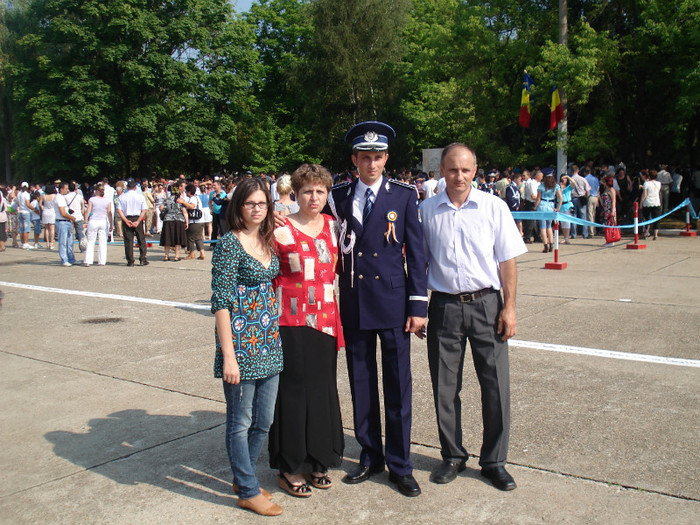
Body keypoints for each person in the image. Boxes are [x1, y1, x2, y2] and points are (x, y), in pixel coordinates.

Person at [327, 121, 427, 497]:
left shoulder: (403, 196)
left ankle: (401, 464)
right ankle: (370, 455)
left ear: (386, 158)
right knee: (362, 383)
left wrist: (418, 305)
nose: (372, 163)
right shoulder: (337, 195)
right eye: (365, 157)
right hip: (354, 300)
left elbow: (417, 255)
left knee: (398, 385)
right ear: (355, 159)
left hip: (393, 301)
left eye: (378, 157)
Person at [419, 143, 526, 491]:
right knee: (444, 387)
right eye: (452, 170)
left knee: (495, 386)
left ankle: (494, 461)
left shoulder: (494, 208)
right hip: (445, 306)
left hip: (487, 305)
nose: (459, 176)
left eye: (466, 170)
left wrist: (509, 308)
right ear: (441, 172)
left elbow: (507, 261)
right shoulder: (426, 211)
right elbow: (417, 265)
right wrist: (418, 309)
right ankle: (452, 455)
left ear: (475, 170)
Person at [268, 163, 344, 498]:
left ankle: (318, 459)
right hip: (290, 319)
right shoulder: (279, 229)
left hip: (325, 319)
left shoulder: (332, 226)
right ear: (295, 194)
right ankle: (288, 465)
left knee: (322, 388)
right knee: (293, 391)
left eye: (320, 191)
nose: (314, 197)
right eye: (307, 191)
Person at [211, 177, 283, 517]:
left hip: (269, 341)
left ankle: (246, 479)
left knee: (264, 420)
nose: (257, 209)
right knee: (240, 421)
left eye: (262, 204)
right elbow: (221, 303)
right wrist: (228, 356)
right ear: (238, 206)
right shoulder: (229, 244)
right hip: (240, 345)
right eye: (250, 203)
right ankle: (248, 488)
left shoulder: (267, 241)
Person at [116, 178, 149, 266]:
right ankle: (143, 259)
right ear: (135, 187)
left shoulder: (122, 196)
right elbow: (144, 210)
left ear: (127, 187)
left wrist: (126, 220)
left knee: (128, 241)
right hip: (137, 217)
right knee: (141, 239)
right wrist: (138, 221)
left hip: (127, 217)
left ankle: (130, 261)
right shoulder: (140, 196)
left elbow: (119, 210)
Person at [83, 183, 113, 266]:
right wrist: (111, 224)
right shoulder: (107, 201)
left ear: (96, 191)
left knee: (90, 242)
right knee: (103, 242)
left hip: (93, 221)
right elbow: (109, 213)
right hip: (103, 221)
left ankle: (88, 261)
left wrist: (85, 221)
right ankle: (102, 261)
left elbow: (88, 211)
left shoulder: (92, 199)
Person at [534, 174, 562, 253]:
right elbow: (560, 198)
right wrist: (558, 208)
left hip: (542, 206)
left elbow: (538, 199)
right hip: (551, 206)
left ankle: (545, 245)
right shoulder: (556, 186)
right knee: (549, 226)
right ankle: (551, 243)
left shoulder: (541, 186)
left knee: (543, 227)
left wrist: (535, 207)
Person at [159, 184, 188, 261]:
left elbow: (161, 207)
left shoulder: (167, 199)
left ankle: (166, 256)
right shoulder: (180, 200)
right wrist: (187, 222)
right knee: (177, 239)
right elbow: (184, 212)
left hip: (168, 220)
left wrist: (166, 212)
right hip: (179, 220)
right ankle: (176, 256)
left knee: (167, 239)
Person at [55, 182, 77, 266]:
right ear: (61, 189)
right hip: (62, 221)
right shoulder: (59, 198)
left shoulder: (62, 197)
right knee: (63, 242)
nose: (67, 190)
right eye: (66, 188)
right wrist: (71, 218)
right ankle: (64, 259)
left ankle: (71, 258)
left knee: (69, 242)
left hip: (66, 222)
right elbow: (62, 213)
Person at [182, 183, 206, 260]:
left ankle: (191, 253)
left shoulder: (192, 198)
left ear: (189, 191)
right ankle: (202, 253)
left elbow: (192, 206)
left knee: (190, 237)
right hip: (201, 220)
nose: (186, 193)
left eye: (186, 191)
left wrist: (183, 202)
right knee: (198, 237)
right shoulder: (197, 197)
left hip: (194, 221)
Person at [569, 165, 590, 239]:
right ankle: (585, 234)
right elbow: (587, 190)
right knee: (583, 217)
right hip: (581, 198)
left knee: (573, 216)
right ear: (578, 171)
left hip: (573, 198)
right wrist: (586, 198)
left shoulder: (570, 179)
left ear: (571, 171)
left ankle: (574, 234)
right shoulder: (583, 179)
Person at [640, 170, 661, 240]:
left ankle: (646, 232)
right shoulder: (659, 183)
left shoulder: (646, 183)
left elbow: (644, 194)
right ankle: (655, 234)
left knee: (646, 218)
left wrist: (641, 203)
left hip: (647, 202)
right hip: (656, 202)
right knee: (656, 218)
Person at [598, 175, 617, 245]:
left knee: (610, 224)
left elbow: (613, 201)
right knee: (606, 224)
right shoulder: (605, 189)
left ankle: (611, 240)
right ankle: (608, 239)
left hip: (610, 209)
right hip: (605, 209)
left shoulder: (611, 190)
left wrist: (612, 211)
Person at [558, 176, 575, 244]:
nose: (564, 180)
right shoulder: (558, 187)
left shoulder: (568, 187)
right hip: (561, 205)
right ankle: (565, 237)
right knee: (562, 223)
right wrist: (561, 188)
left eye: (565, 179)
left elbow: (574, 183)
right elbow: (557, 196)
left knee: (567, 222)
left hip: (568, 205)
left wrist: (568, 177)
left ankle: (567, 238)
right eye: (562, 179)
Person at [41, 184, 57, 250]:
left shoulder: (43, 195)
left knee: (46, 228)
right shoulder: (54, 196)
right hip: (52, 211)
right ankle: (51, 243)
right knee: (52, 229)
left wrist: (43, 209)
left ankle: (47, 243)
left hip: (45, 211)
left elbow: (40, 204)